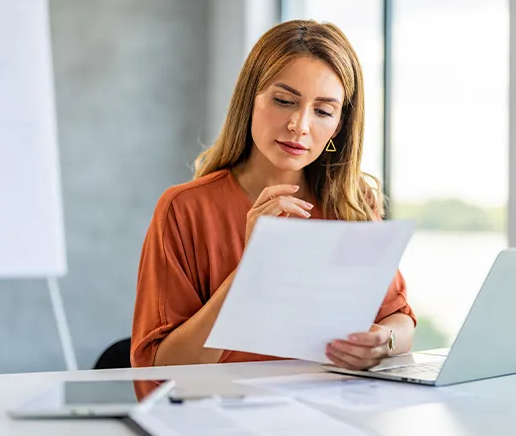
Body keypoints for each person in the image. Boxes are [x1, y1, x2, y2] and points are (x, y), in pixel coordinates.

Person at [130, 19, 416, 372]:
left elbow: (399, 321)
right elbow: (159, 367)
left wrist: (382, 343)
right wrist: (253, 269)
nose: (300, 125)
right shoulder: (184, 209)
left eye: (323, 110)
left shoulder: (353, 201)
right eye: (283, 100)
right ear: (250, 98)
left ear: (339, 126)